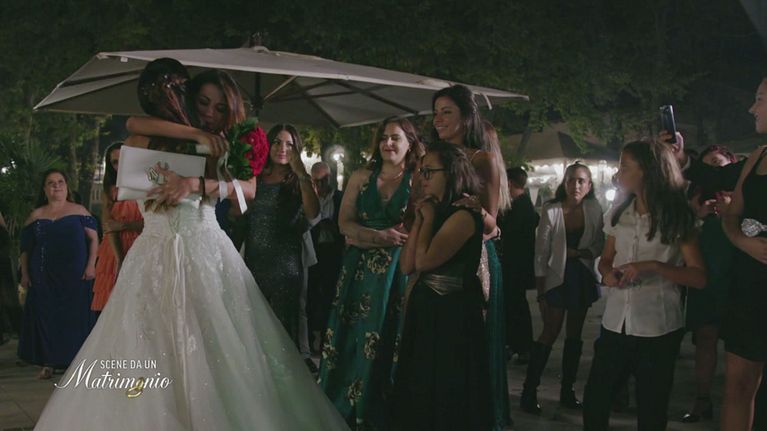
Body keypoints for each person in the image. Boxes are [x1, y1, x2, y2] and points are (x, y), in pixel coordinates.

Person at [32, 58, 349, 430]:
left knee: (222, 346)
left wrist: (196, 184)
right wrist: (194, 135)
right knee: (145, 344)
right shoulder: (156, 137)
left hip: (206, 249)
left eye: (219, 107)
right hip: (153, 252)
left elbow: (248, 189)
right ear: (189, 99)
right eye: (203, 103)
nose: (210, 113)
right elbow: (133, 124)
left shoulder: (227, 144)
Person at [582, 139, 706, 431]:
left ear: (648, 171)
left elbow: (699, 277)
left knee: (652, 407)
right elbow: (606, 259)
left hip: (658, 326)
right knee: (596, 399)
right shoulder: (619, 212)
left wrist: (653, 266)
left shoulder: (677, 217)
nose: (619, 173)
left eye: (625, 167)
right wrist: (607, 273)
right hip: (616, 323)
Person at [318, 116, 424, 429]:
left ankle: (381, 408)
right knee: (352, 335)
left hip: (398, 270)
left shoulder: (419, 179)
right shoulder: (361, 176)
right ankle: (347, 406)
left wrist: (364, 237)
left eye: (395, 138)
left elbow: (420, 225)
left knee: (391, 333)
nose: (388, 143)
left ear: (410, 144)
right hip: (358, 270)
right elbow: (344, 224)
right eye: (383, 137)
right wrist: (377, 236)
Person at [392, 141, 492, 430]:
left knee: (446, 389)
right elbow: (406, 265)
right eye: (421, 172)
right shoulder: (432, 210)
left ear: (451, 174)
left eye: (429, 172)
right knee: (420, 384)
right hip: (426, 310)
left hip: (451, 314)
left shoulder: (463, 214)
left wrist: (428, 219)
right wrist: (420, 219)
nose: (422, 179)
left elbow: (424, 261)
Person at [431, 86, 512, 430]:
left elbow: (492, 222)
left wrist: (475, 210)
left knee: (470, 343)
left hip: (472, 260)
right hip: (433, 255)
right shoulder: (431, 157)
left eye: (446, 112)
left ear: (466, 118)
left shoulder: (482, 160)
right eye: (435, 112)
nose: (438, 119)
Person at [521, 163, 604, 414]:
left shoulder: (594, 208)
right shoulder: (552, 209)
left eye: (581, 181)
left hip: (582, 275)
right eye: (570, 180)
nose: (575, 185)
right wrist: (541, 290)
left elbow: (600, 241)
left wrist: (583, 253)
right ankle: (529, 390)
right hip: (557, 276)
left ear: (589, 185)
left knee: (574, 334)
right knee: (550, 330)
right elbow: (541, 251)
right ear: (564, 183)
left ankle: (567, 391)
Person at [244, 124, 319, 351]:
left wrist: (302, 174)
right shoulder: (255, 177)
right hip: (254, 261)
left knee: (281, 331)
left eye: (289, 145)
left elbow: (313, 214)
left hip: (285, 266)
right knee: (254, 328)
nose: (282, 149)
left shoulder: (300, 181)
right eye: (277, 142)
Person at [719, 77, 767, 431]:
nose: (752, 108)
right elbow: (731, 214)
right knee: (737, 385)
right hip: (749, 285)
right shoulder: (757, 157)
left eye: (760, 99)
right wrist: (741, 240)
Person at [17, 169, 98, 379]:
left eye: (60, 182)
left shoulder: (80, 211)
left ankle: (75, 362)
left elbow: (93, 240)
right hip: (43, 274)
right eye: (51, 183)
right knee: (46, 317)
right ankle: (48, 363)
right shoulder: (36, 215)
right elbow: (25, 248)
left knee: (74, 317)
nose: (56, 186)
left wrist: (91, 265)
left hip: (75, 273)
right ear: (44, 189)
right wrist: (25, 273)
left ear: (67, 186)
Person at [679, 145, 737, 423]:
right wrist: (697, 217)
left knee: (739, 344)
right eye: (707, 165)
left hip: (738, 278)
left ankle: (738, 402)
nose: (713, 170)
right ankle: (702, 400)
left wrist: (731, 213)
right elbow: (679, 239)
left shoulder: (743, 194)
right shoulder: (692, 199)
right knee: (705, 338)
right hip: (705, 278)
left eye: (718, 163)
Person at [91, 142, 143, 315]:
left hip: (142, 245)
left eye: (123, 159)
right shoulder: (109, 190)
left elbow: (155, 223)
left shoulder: (146, 185)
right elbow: (108, 226)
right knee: (112, 306)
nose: (120, 165)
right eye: (114, 162)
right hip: (115, 248)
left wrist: (125, 225)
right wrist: (119, 258)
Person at [498, 167, 538, 365]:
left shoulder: (520, 207)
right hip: (515, 265)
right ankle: (517, 345)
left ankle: (522, 346)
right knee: (514, 305)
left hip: (515, 266)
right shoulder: (521, 205)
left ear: (510, 183)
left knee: (516, 306)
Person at [308, 162, 344, 354]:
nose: (320, 185)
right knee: (311, 295)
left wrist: (333, 228)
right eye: (316, 181)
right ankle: (310, 337)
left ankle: (326, 337)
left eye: (324, 180)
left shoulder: (340, 198)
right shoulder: (309, 197)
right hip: (314, 251)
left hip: (333, 252)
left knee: (330, 295)